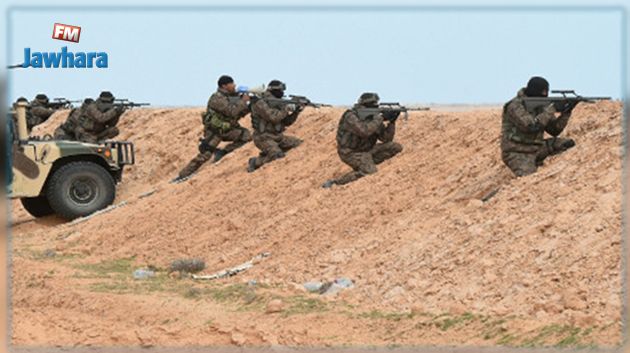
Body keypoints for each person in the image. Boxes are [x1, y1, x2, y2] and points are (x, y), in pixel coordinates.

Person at [175, 75, 251, 181]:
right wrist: (243, 101)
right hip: (215, 132)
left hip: (228, 129)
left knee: (246, 136)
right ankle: (183, 175)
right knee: (206, 154)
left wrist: (250, 106)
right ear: (224, 86)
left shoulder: (232, 97)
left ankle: (223, 152)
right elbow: (231, 111)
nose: (234, 85)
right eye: (232, 83)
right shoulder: (217, 98)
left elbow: (237, 114)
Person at [322, 92, 402, 188]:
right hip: (349, 152)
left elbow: (386, 138)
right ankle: (336, 183)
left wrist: (392, 122)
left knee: (395, 147)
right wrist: (380, 118)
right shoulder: (351, 116)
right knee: (370, 172)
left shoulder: (373, 118)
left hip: (367, 151)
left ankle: (364, 165)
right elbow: (364, 131)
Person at [501, 76, 575, 177]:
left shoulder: (541, 105)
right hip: (517, 152)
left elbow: (554, 130)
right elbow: (531, 127)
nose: (545, 95)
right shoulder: (515, 106)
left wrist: (567, 112)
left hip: (537, 148)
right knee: (529, 179)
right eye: (543, 92)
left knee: (567, 144)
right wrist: (551, 109)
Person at [247, 80, 303, 173]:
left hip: (277, 136)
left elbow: (287, 122)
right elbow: (273, 118)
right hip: (263, 137)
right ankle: (255, 162)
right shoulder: (260, 103)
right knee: (277, 155)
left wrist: (296, 111)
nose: (283, 93)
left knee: (298, 144)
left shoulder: (278, 103)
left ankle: (267, 153)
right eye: (280, 90)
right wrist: (286, 109)